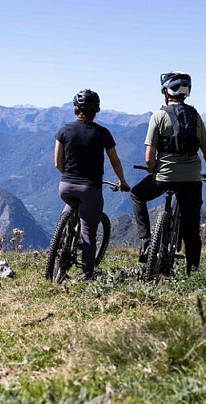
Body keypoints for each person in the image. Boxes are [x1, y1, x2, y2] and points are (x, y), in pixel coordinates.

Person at [130, 71, 206, 275]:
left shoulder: (158, 116)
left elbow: (149, 157)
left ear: (166, 92)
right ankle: (193, 272)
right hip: (191, 179)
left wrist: (155, 170)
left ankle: (146, 241)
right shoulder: (195, 116)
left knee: (137, 194)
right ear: (186, 93)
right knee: (191, 229)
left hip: (164, 177)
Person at [54, 89, 130, 280]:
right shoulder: (102, 133)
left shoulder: (64, 130)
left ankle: (61, 242)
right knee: (88, 230)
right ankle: (87, 274)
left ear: (75, 109)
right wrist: (122, 181)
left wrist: (69, 176)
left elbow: (57, 162)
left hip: (65, 186)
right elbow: (115, 161)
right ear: (96, 110)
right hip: (90, 188)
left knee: (69, 209)